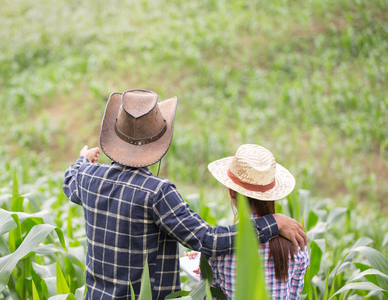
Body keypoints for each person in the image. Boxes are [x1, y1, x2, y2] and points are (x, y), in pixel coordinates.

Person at [63, 90, 307, 299]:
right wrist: (271, 223)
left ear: (116, 135)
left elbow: (69, 180)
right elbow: (209, 240)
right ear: (159, 142)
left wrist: (82, 160)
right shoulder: (157, 193)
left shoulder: (87, 177)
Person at [186, 144, 310, 300]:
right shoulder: (296, 244)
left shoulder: (222, 246)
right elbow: (294, 296)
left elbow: (210, 295)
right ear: (272, 194)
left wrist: (199, 265)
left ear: (232, 193)